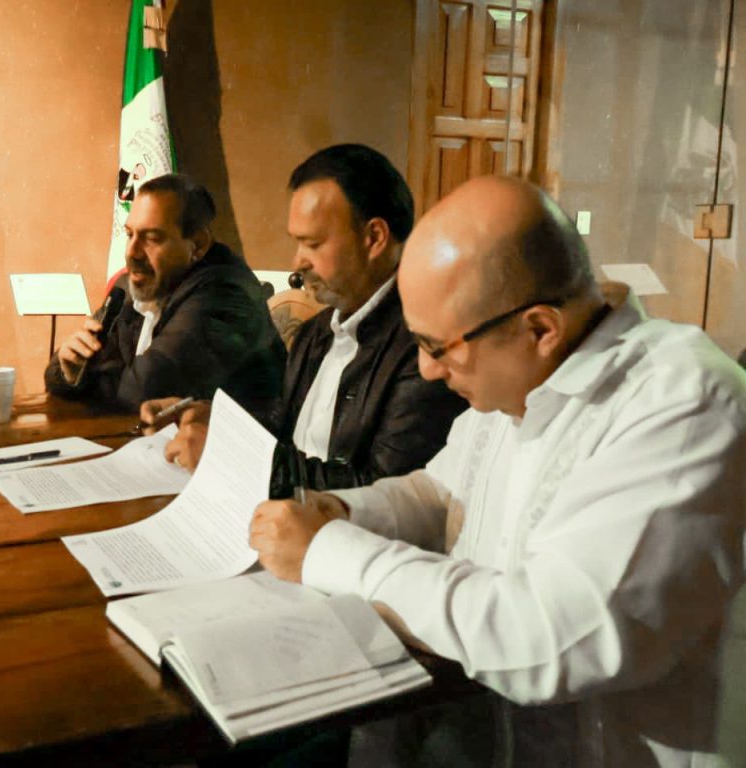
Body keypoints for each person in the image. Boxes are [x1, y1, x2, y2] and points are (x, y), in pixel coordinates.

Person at [249, 175, 746, 766]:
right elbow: (443, 494)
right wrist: (345, 512)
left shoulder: (686, 404)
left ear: (540, 329)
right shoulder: (523, 375)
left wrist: (330, 552)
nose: (427, 371)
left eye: (437, 348)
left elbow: (550, 635)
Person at [143, 145, 465, 493]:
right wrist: (214, 419)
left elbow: (381, 493)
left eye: (312, 244)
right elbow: (285, 427)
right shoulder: (317, 331)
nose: (298, 262)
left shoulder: (426, 348)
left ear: (374, 238)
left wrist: (231, 458)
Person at [45, 174, 285, 416]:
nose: (132, 252)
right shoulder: (133, 284)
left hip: (230, 440)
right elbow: (66, 369)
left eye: (151, 238)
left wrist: (85, 378)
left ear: (198, 245)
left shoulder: (225, 294)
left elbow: (144, 391)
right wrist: (68, 369)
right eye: (130, 234)